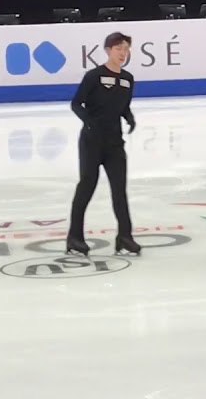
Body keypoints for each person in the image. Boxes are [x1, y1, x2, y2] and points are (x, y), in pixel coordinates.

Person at [66, 32, 140, 257]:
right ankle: (75, 237)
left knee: (120, 190)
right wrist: (88, 121)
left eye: (126, 49)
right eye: (119, 49)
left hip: (115, 143)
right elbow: (76, 103)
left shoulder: (128, 78)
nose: (123, 53)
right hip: (92, 142)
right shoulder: (94, 76)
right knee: (87, 186)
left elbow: (122, 105)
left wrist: (129, 116)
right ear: (108, 50)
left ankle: (125, 237)